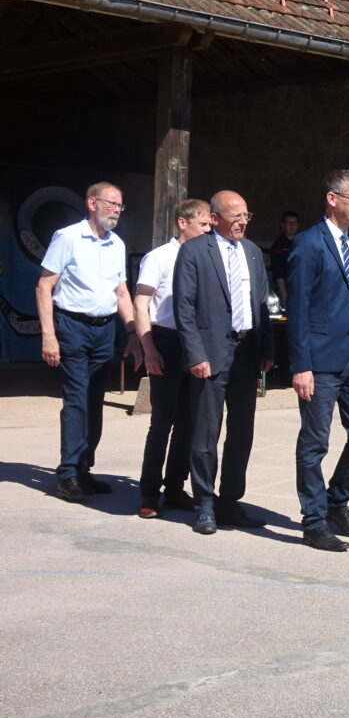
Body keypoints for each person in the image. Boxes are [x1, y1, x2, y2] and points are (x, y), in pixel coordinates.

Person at [173, 190, 274, 535]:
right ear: (214, 218)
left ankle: (230, 501)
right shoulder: (194, 251)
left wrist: (267, 348)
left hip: (247, 353)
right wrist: (195, 354)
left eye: (246, 216)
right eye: (235, 216)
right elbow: (184, 308)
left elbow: (262, 305)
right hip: (211, 353)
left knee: (242, 431)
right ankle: (204, 502)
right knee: (206, 432)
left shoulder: (252, 252)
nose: (243, 222)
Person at [287, 170, 349, 552]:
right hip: (320, 361)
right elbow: (298, 308)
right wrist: (300, 365)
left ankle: (336, 501)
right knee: (315, 443)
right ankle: (313, 521)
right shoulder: (308, 245)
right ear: (332, 199)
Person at [35, 182, 142, 501]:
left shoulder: (117, 244)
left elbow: (121, 292)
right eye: (111, 204)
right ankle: (68, 474)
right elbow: (44, 287)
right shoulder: (67, 237)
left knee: (95, 399)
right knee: (76, 399)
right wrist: (49, 335)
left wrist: (133, 333)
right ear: (92, 203)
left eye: (120, 206)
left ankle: (83, 468)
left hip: (104, 329)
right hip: (73, 327)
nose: (116, 210)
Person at [133, 199, 212, 518]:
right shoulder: (159, 257)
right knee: (162, 421)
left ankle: (176, 487)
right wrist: (149, 348)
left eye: (210, 225)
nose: (208, 230)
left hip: (197, 343)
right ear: (183, 222)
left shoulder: (207, 257)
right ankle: (149, 493)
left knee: (189, 422)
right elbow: (141, 303)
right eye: (203, 224)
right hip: (166, 341)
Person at [269, 211, 300, 307]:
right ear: (283, 225)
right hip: (287, 290)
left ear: (298, 225)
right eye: (289, 223)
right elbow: (279, 274)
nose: (292, 226)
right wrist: (284, 296)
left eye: (294, 223)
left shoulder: (303, 243)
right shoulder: (278, 246)